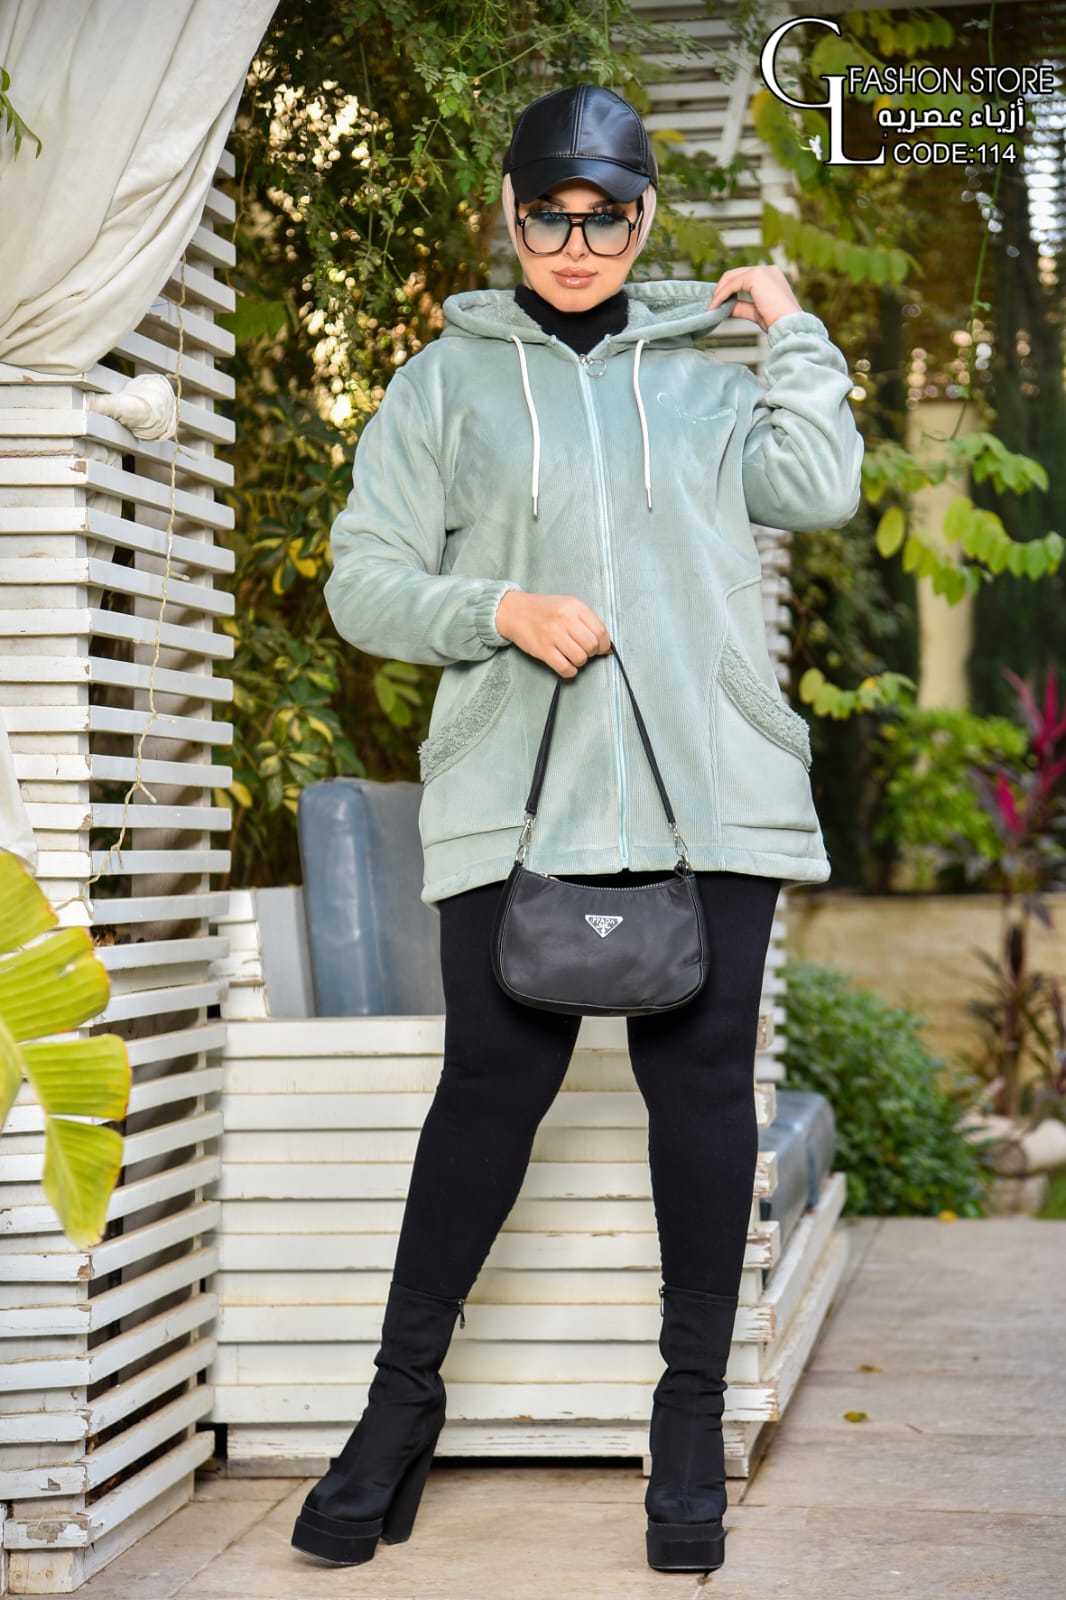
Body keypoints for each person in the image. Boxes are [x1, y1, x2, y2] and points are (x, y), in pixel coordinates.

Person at [291, 82, 863, 1576]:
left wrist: (791, 329)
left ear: (645, 220)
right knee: (490, 1090)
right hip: (518, 794)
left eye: (605, 218)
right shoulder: (444, 384)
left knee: (700, 1090)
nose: (574, 243)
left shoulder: (710, 378)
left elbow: (821, 485)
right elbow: (362, 581)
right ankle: (396, 1411)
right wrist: (495, 608)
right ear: (508, 210)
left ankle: (686, 1418)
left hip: (709, 792)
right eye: (548, 214)